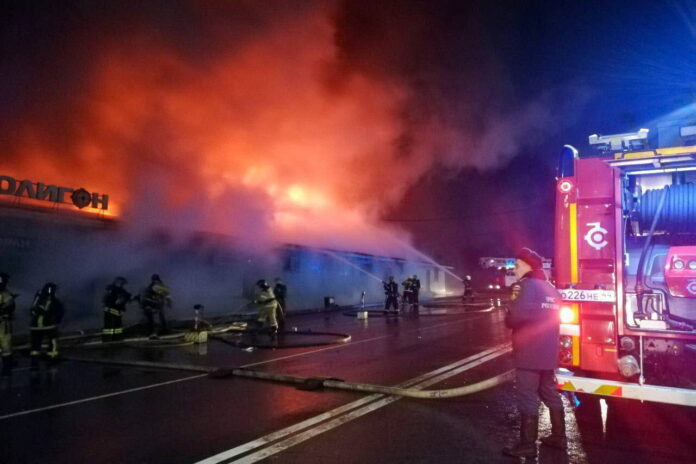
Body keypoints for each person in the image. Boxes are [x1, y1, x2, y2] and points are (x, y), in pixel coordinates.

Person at [502, 247, 565, 458]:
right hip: (549, 352)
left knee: (527, 396)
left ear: (528, 266)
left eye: (517, 265)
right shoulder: (551, 289)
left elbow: (516, 316)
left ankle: (527, 445)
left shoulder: (524, 286)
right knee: (549, 392)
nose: (514, 270)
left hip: (529, 353)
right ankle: (559, 437)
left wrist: (508, 318)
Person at [29, 282, 65, 366]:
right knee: (53, 340)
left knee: (35, 342)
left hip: (35, 325)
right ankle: (52, 356)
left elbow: (32, 311)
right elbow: (60, 311)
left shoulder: (38, 298)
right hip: (49, 325)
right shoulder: (55, 300)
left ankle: (34, 358)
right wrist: (57, 320)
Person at [139, 274, 171, 339]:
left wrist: (168, 302)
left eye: (157, 280)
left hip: (158, 305)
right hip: (152, 305)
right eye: (155, 280)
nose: (156, 282)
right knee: (154, 320)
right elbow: (146, 298)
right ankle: (153, 333)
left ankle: (162, 330)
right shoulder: (150, 288)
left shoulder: (160, 286)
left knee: (161, 318)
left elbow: (167, 294)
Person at [102, 277, 132, 342]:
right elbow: (117, 301)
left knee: (116, 326)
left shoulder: (114, 289)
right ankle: (108, 339)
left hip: (113, 311)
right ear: (118, 282)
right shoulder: (114, 289)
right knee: (110, 326)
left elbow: (124, 298)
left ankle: (116, 338)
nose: (122, 285)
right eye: (122, 283)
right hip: (112, 310)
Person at [0, 272, 17, 375]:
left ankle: (8, 365)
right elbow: (11, 306)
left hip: (3, 322)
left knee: (5, 343)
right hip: (3, 323)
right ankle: (7, 367)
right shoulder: (6, 293)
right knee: (6, 344)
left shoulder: (6, 293)